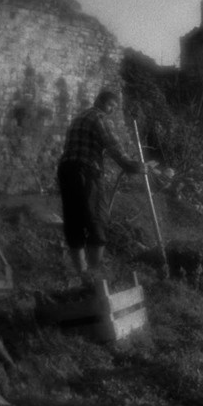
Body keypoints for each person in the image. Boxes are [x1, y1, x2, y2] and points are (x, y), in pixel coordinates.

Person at [57, 89, 144, 278]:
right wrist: (130, 165)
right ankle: (94, 275)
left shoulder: (79, 118)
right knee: (97, 220)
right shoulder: (99, 118)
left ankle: (82, 275)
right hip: (85, 173)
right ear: (100, 102)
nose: (111, 109)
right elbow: (113, 145)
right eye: (110, 105)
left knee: (74, 222)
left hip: (66, 171)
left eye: (114, 106)